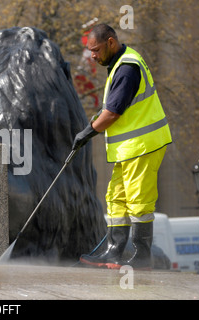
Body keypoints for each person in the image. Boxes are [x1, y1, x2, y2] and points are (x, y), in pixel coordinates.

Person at [72, 24, 172, 270]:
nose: (93, 55)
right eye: (90, 51)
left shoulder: (128, 67)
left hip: (143, 146)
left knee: (138, 201)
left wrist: (87, 132)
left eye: (95, 50)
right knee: (115, 198)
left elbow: (113, 113)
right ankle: (114, 252)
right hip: (129, 149)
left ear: (111, 43)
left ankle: (141, 256)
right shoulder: (119, 65)